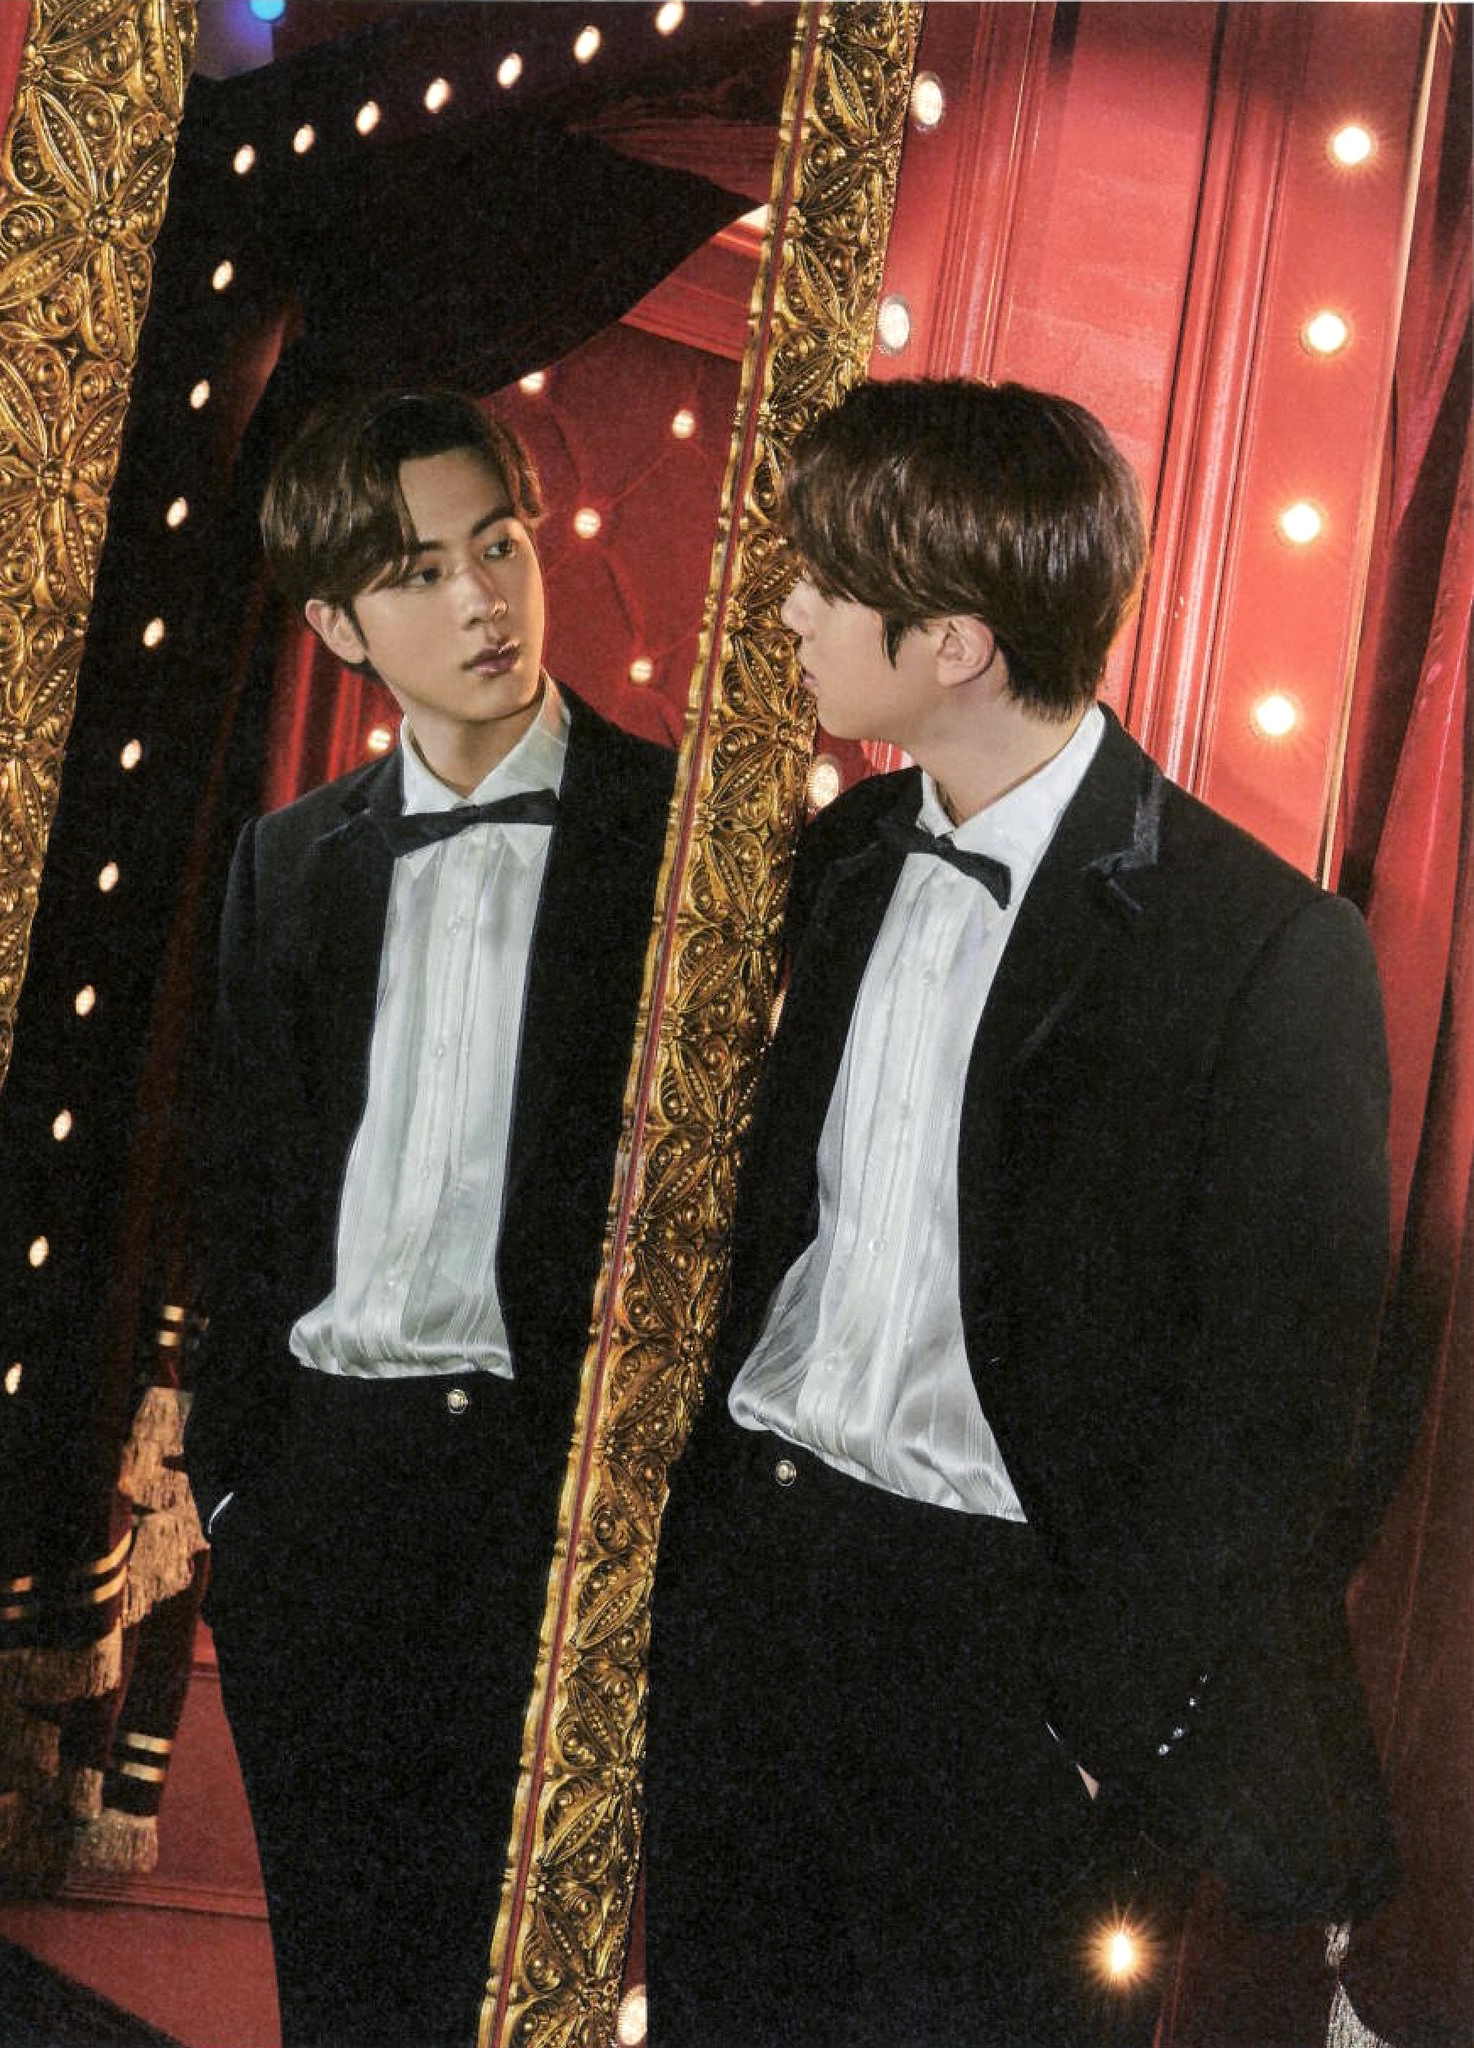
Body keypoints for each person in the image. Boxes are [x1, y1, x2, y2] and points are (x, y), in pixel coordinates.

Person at [643, 377, 1397, 2047]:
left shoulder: (1266, 950)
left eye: (827, 581)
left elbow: (1286, 1421)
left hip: (1008, 1669)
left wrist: (1101, 1719)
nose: (789, 610)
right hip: (755, 1598)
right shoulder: (843, 856)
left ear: (957, 645)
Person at [183, 389, 676, 2048]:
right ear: (336, 625)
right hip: (317, 1505)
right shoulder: (285, 864)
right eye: (417, 572)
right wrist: (240, 1494)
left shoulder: (682, 840)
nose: (482, 599)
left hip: (540, 1505)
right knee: (338, 1994)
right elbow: (249, 1203)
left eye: (500, 544)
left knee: (514, 2002)